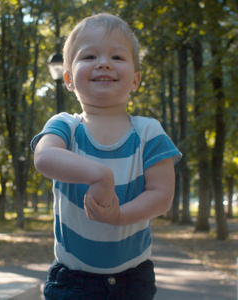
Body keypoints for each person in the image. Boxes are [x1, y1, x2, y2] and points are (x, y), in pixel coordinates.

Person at [31, 13, 181, 299]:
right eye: (89, 56)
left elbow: (162, 194)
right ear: (68, 79)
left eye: (117, 57)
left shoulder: (148, 132)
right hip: (72, 282)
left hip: (132, 282)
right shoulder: (66, 126)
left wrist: (119, 215)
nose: (104, 63)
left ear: (136, 80)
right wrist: (99, 175)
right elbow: (44, 156)